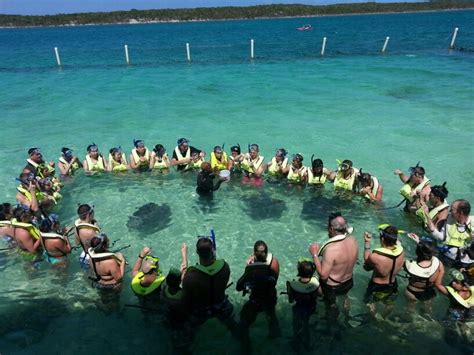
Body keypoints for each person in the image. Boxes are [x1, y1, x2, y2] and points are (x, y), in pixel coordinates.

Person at [181, 237, 238, 348]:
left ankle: (185, 349)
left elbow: (185, 298)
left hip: (200, 309)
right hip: (221, 304)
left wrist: (184, 256)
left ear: (197, 252)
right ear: (212, 251)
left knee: (188, 332)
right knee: (233, 326)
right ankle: (245, 343)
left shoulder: (191, 276)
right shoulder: (224, 267)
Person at [309, 212, 358, 319]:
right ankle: (347, 317)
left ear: (331, 228)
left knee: (331, 305)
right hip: (348, 281)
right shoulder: (353, 241)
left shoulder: (331, 250)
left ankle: (332, 324)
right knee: (345, 297)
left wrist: (314, 254)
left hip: (333, 286)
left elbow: (323, 276)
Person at [236, 241, 281, 349]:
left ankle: (246, 347)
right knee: (271, 315)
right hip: (270, 297)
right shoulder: (274, 262)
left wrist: (248, 267)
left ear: (254, 254)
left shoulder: (252, 269)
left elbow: (238, 287)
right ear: (267, 252)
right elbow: (273, 281)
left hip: (256, 300)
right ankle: (276, 338)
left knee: (243, 322)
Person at [363, 225, 405, 317]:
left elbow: (366, 262)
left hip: (377, 287)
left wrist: (367, 242)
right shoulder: (401, 252)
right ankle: (384, 318)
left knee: (370, 303)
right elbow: (397, 243)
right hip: (393, 284)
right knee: (389, 304)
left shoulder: (376, 257)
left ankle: (372, 319)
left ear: (382, 240)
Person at [285, 258, 321, 352]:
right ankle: (308, 344)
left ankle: (296, 345)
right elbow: (320, 294)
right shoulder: (315, 282)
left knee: (296, 327)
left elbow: (290, 300)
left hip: (299, 308)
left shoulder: (292, 284)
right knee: (307, 326)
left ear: (299, 271)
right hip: (311, 307)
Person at [429, 199, 472, 265]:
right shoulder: (449, 219)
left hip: (466, 261)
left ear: (461, 213)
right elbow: (442, 238)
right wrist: (433, 230)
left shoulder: (473, 223)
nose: (450, 211)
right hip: (447, 257)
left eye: (452, 209)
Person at [404, 240, 444, 311]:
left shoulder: (410, 266)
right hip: (429, 292)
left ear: (417, 252)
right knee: (427, 310)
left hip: (412, 292)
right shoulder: (438, 263)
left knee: (410, 310)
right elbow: (438, 283)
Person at [74, 203, 101, 268]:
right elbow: (101, 246)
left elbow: (77, 243)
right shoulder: (91, 231)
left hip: (84, 256)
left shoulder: (77, 228)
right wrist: (97, 229)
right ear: (89, 215)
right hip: (93, 258)